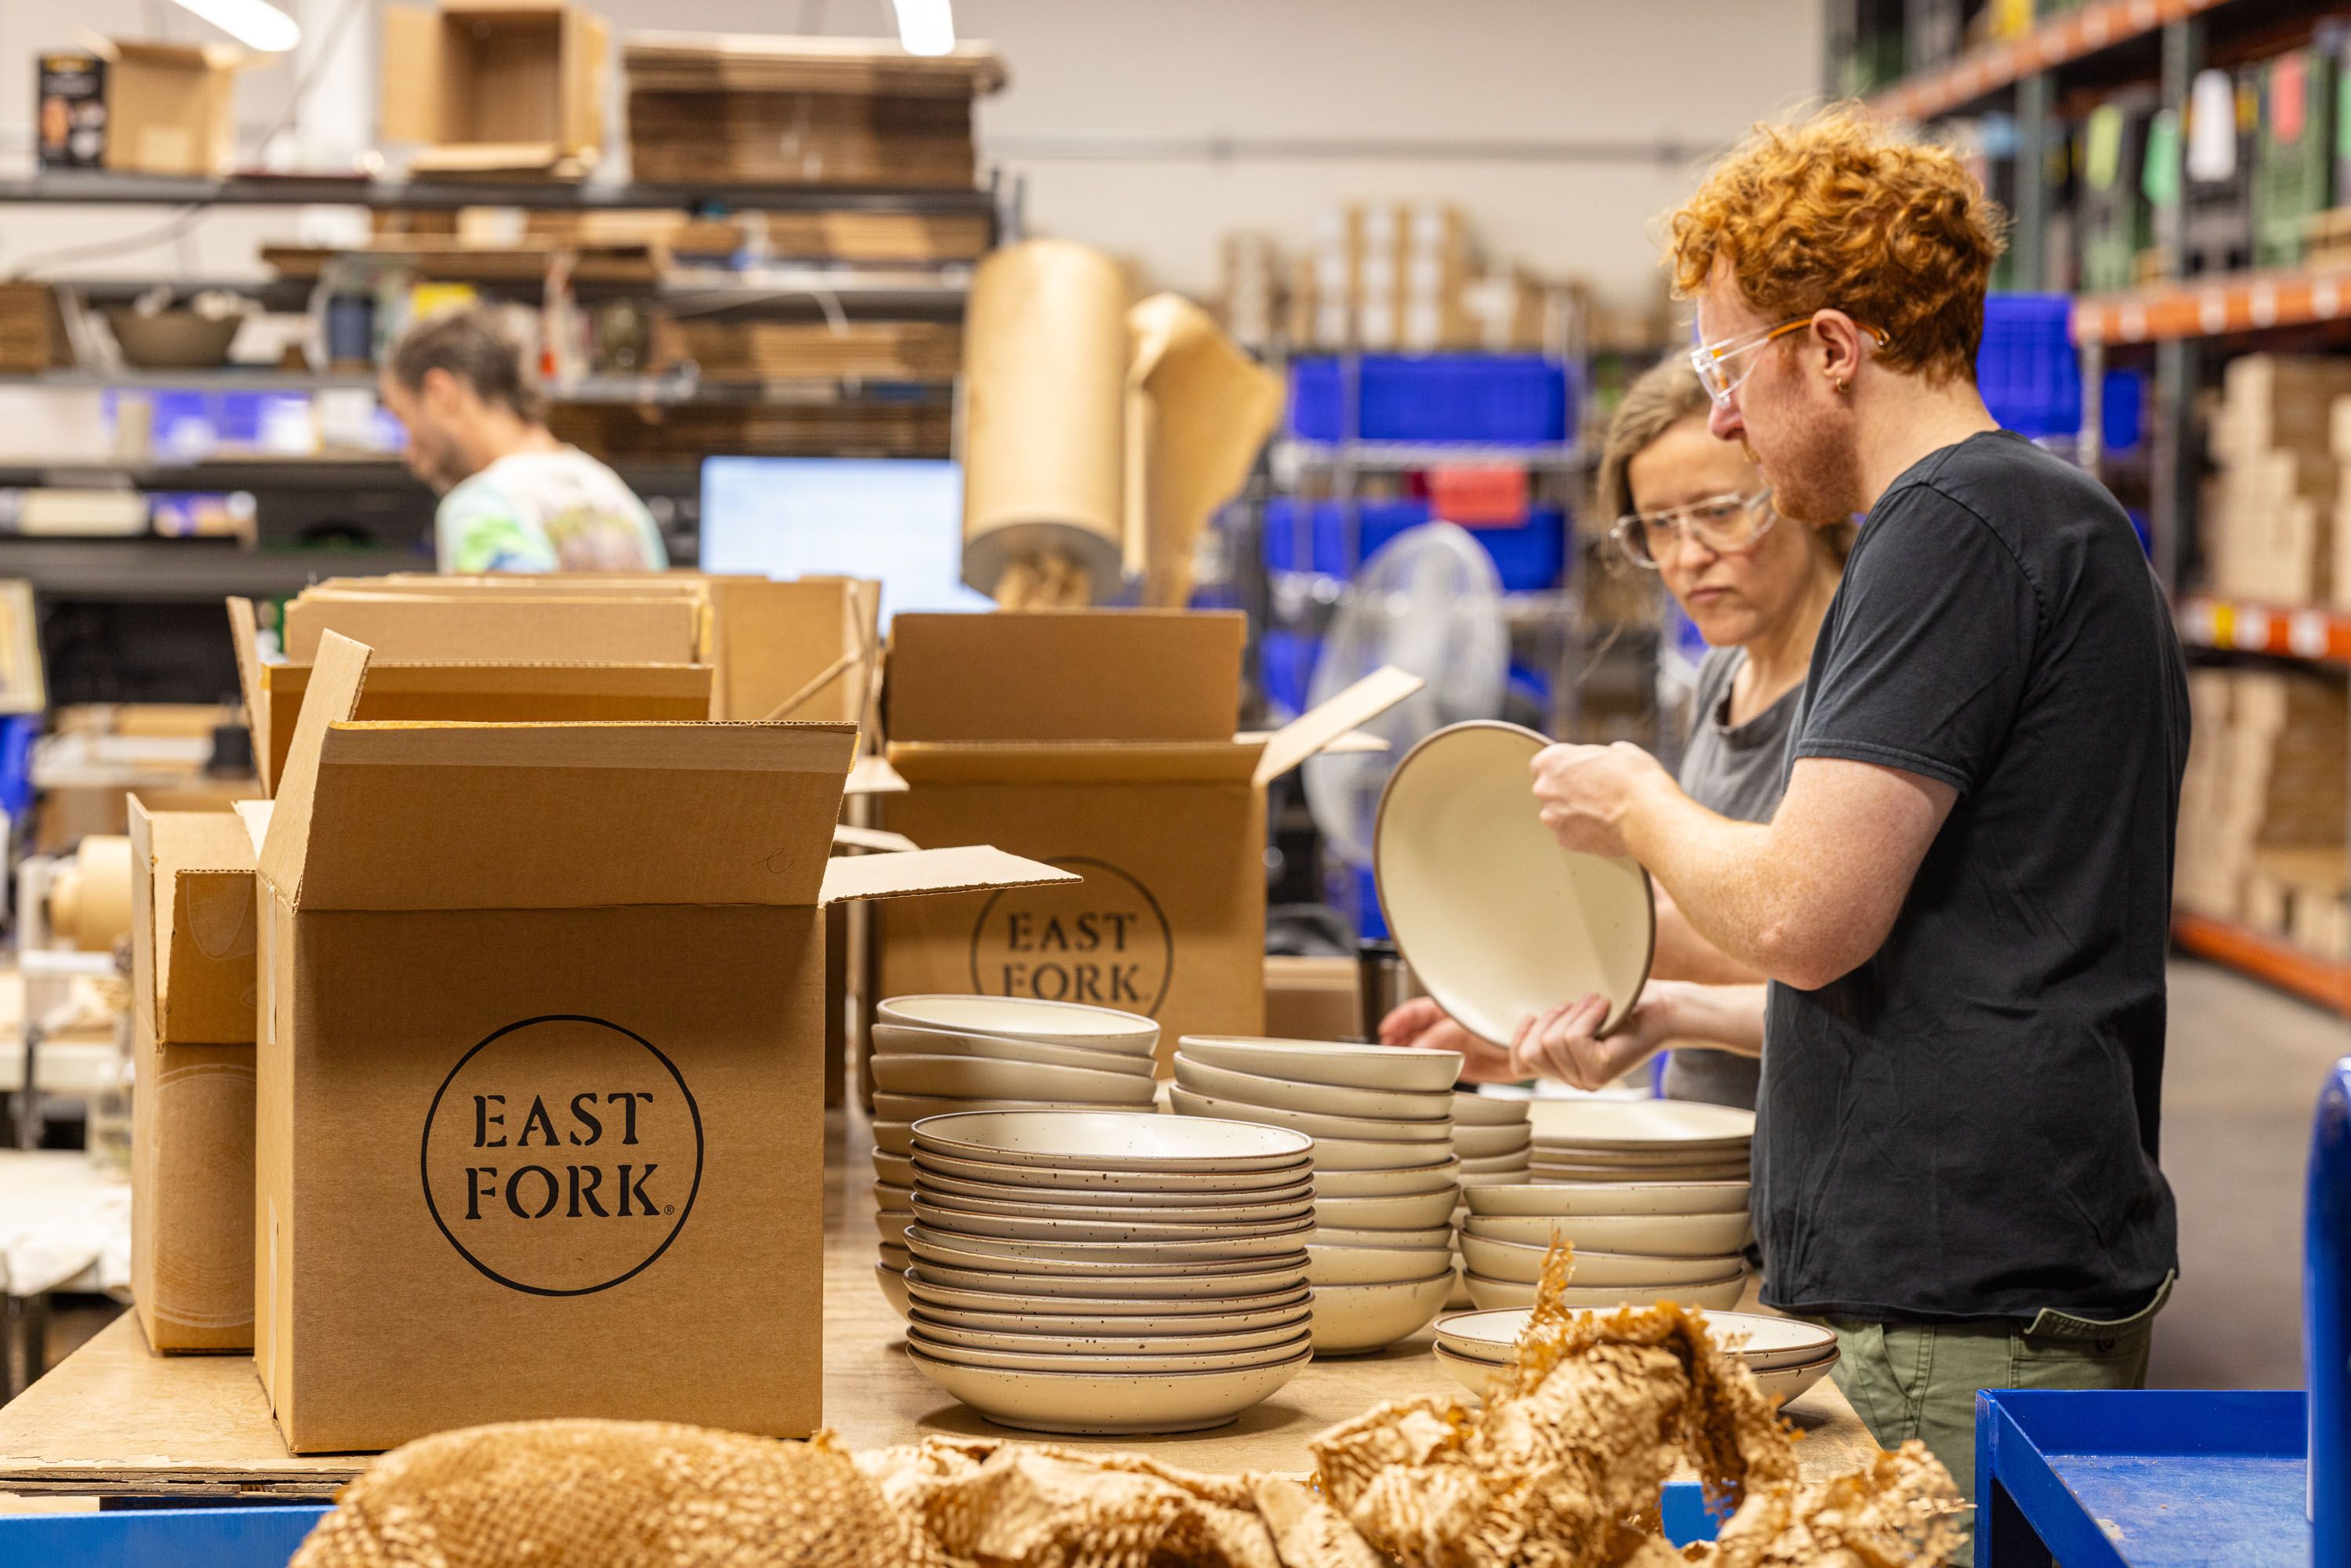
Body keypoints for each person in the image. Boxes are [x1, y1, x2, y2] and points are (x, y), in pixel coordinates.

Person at [1523, 106, 2186, 1509]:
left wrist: (1638, 801)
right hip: (2003, 1270)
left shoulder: (1945, 527)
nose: (1715, 414)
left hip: (1953, 1300)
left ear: (1830, 349)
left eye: (1726, 365)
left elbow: (1803, 917)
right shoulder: (2050, 522)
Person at [1380, 354, 1848, 1110]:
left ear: (1793, 492)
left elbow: (1836, 964)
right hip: (1717, 1146)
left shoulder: (1857, 694)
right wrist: (1512, 1000)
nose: (1688, 556)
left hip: (1819, 1148)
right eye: (1659, 527)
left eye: (1720, 512)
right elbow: (1694, 907)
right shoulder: (1724, 675)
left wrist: (1571, 976)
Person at [379, 306, 668, 575]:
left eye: (402, 416)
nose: (408, 452)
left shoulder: (479, 510)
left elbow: (509, 627)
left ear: (439, 394)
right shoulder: (614, 494)